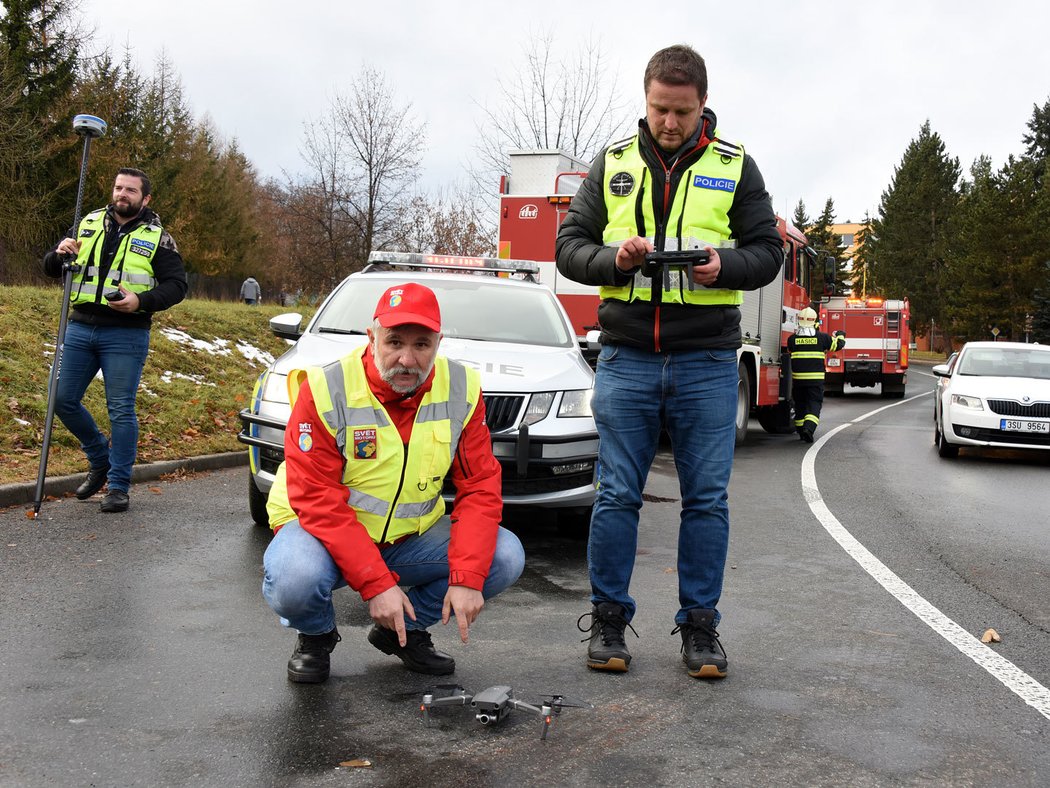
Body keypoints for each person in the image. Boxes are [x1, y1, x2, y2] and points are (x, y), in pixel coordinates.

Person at [555, 44, 783, 679]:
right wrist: (616, 261)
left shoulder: (737, 167)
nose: (669, 123)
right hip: (626, 357)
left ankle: (700, 631)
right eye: (659, 109)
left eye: (682, 111)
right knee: (616, 495)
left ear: (702, 104)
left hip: (708, 359)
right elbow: (568, 249)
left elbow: (768, 252)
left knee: (706, 498)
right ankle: (607, 622)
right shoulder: (614, 163)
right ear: (646, 99)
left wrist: (722, 265)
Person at [261, 282, 526, 684]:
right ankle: (315, 635)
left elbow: (480, 487)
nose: (407, 358)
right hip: (319, 534)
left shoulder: (462, 389)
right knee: (294, 579)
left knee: (504, 556)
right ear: (371, 337)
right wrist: (376, 585)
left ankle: (402, 630)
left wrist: (469, 579)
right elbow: (317, 499)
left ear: (439, 343)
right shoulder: (325, 388)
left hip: (407, 539)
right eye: (394, 341)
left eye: (422, 345)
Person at [42, 167, 188, 513]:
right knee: (61, 399)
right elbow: (51, 267)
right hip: (80, 326)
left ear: (145, 198)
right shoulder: (88, 223)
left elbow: (177, 286)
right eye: (119, 188)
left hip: (126, 332)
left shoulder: (158, 237)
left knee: (120, 409)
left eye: (131, 191)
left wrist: (141, 301)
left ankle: (118, 486)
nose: (122, 194)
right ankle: (99, 456)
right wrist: (58, 254)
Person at [788, 307, 846, 443]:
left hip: (798, 381)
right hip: (815, 381)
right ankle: (809, 428)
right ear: (814, 321)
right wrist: (840, 334)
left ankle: (801, 431)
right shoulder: (823, 338)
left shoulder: (792, 339)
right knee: (814, 403)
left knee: (800, 405)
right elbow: (839, 345)